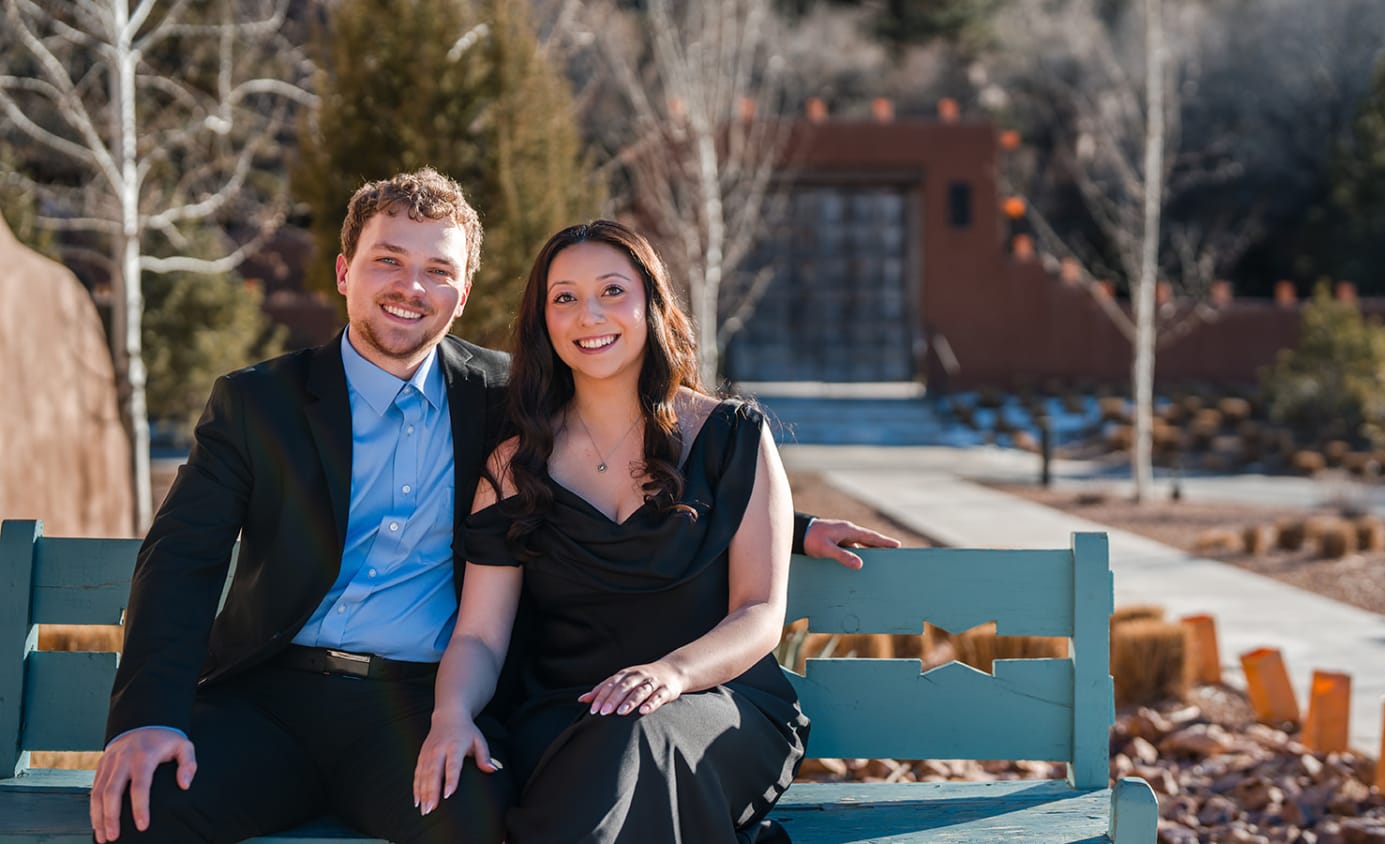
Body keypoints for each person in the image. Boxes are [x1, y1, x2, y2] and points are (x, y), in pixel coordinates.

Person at [90, 170, 897, 844]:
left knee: (481, 818)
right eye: (387, 262)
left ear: (464, 291)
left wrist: (789, 528)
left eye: (437, 270)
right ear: (344, 271)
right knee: (139, 810)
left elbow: (648, 467)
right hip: (271, 697)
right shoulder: (258, 404)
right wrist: (146, 717)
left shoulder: (503, 398)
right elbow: (182, 560)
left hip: (412, 705)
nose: (411, 288)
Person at [412, 220, 813, 843]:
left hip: (716, 704)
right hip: (568, 717)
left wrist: (672, 674)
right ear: (542, 321)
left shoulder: (732, 437)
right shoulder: (512, 466)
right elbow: (481, 635)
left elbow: (760, 612)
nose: (588, 315)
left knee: (641, 739)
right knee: (615, 750)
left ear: (651, 302)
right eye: (564, 297)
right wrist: (451, 713)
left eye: (612, 291)